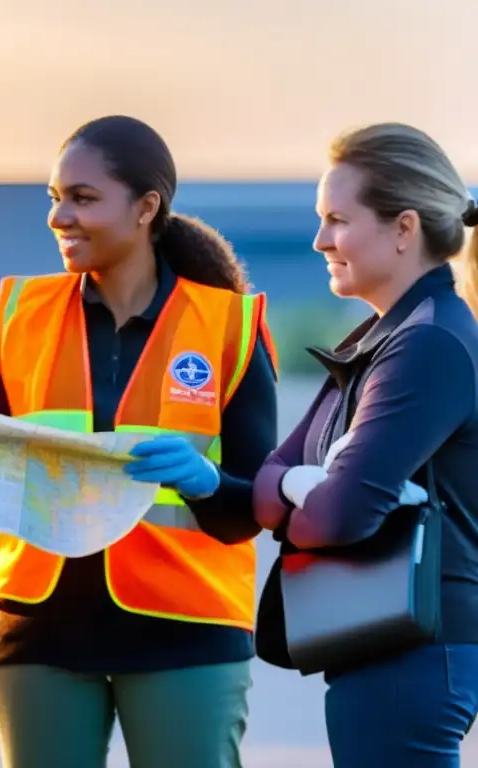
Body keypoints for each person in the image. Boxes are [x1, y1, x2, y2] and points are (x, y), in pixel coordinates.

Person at [0, 115, 279, 768]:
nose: (59, 216)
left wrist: (208, 482)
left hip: (185, 636)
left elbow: (251, 507)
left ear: (146, 208)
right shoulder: (16, 319)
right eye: (53, 197)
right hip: (37, 634)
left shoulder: (229, 327)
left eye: (82, 198)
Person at [253, 122, 478, 767]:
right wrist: (304, 482)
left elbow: (341, 515)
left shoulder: (427, 344)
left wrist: (309, 488)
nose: (321, 239)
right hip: (379, 649)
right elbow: (270, 482)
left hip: (413, 654)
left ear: (403, 228)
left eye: (337, 219)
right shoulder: (381, 338)